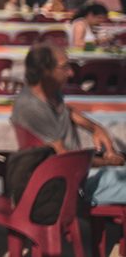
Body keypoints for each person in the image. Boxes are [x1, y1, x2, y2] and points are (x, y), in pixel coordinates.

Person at [11, 43, 126, 205]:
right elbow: (65, 156)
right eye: (64, 67)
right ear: (45, 72)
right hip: (64, 184)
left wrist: (96, 128)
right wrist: (108, 162)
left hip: (74, 176)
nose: (71, 73)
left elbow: (66, 111)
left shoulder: (50, 93)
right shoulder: (31, 106)